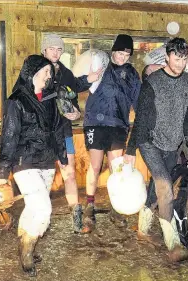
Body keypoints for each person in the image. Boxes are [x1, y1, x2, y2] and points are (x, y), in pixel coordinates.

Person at [126, 38, 188, 263]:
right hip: (149, 142)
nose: (180, 63)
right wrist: (130, 149)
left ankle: (143, 227)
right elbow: (141, 119)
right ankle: (173, 242)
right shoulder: (153, 82)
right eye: (177, 58)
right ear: (167, 56)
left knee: (157, 189)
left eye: (184, 58)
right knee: (166, 187)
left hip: (172, 144)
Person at [0, 54, 67, 277]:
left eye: (50, 72)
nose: (50, 75)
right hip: (23, 161)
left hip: (46, 161)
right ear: (33, 73)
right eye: (46, 71)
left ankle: (27, 243)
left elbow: (57, 129)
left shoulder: (50, 98)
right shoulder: (16, 100)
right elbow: (9, 136)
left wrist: (63, 159)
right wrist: (2, 171)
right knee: (43, 208)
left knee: (33, 207)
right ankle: (26, 254)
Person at [40, 34, 103, 233]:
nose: (56, 53)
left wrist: (76, 112)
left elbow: (72, 91)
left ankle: (76, 218)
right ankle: (40, 219)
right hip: (42, 134)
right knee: (43, 177)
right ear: (43, 50)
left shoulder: (65, 72)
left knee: (70, 174)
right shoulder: (36, 70)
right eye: (52, 49)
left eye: (59, 49)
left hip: (64, 131)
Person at [82, 34, 141, 233]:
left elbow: (137, 101)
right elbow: (80, 83)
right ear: (113, 50)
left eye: (127, 54)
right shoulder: (101, 64)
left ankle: (116, 208)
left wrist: (142, 117)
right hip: (95, 124)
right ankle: (89, 206)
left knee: (117, 168)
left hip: (118, 124)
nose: (123, 57)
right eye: (120, 52)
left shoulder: (132, 73)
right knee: (95, 165)